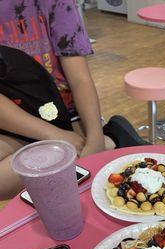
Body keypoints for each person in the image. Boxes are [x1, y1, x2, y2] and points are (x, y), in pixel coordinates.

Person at [0, 0, 147, 200]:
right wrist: (54, 135)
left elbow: (80, 79)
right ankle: (112, 140)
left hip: (64, 115)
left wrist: (94, 137)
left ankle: (107, 138)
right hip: (15, 120)